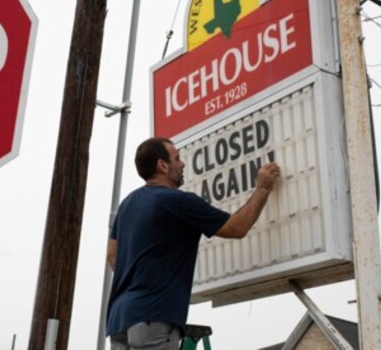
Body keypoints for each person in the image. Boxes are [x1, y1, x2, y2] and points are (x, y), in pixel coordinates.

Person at [106, 137, 281, 350]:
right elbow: (237, 227)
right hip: (153, 316)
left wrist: (141, 274)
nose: (183, 164)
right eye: (177, 158)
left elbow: (112, 254)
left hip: (119, 319)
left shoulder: (127, 204)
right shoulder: (178, 201)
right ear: (162, 165)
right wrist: (262, 189)